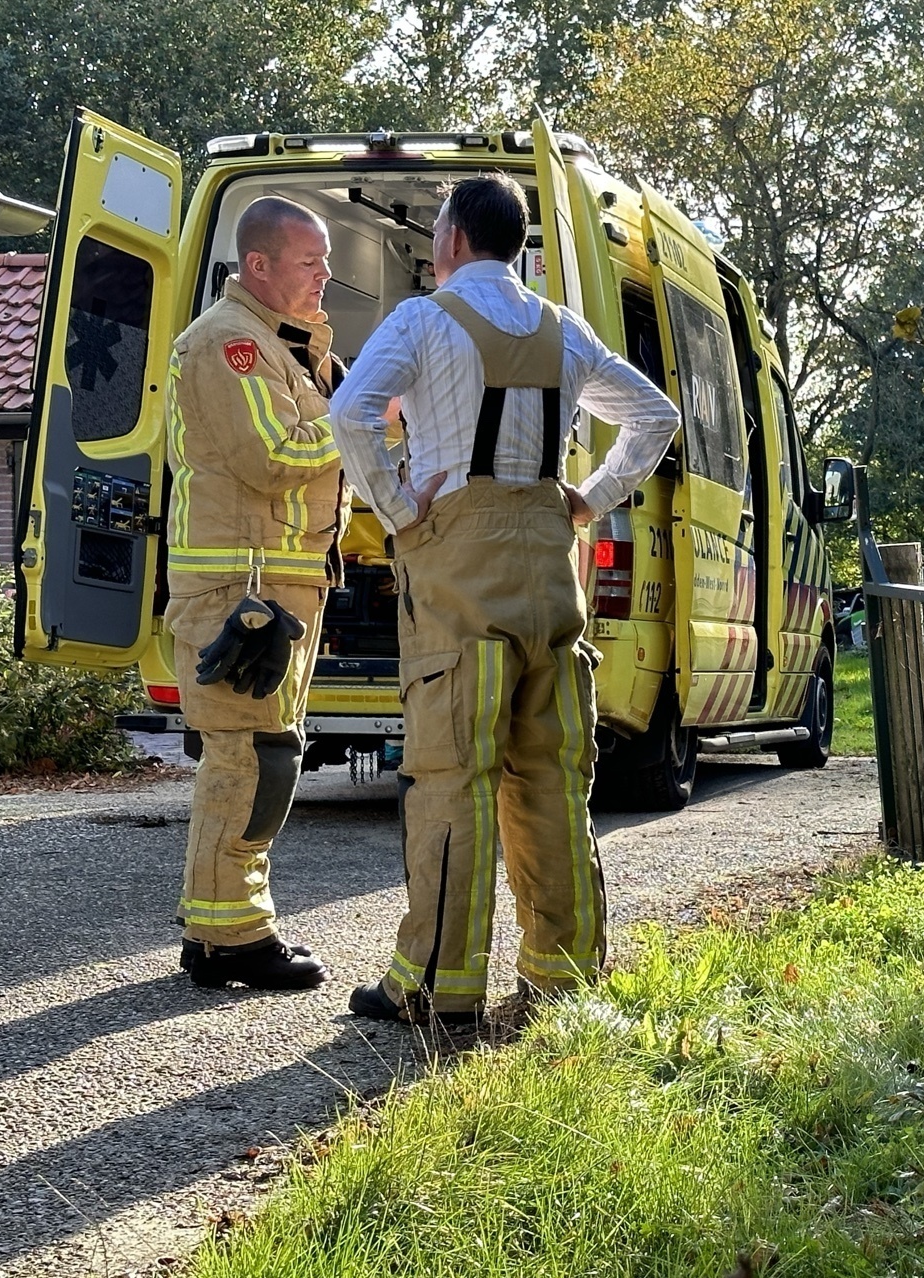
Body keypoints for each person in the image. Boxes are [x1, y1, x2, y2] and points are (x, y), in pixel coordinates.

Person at [329, 173, 680, 1025]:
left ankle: (435, 987)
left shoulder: (421, 319)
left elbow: (351, 411)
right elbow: (656, 417)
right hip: (549, 570)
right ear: (518, 244)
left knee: (454, 773)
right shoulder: (565, 330)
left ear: (449, 241)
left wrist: (400, 505)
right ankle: (564, 981)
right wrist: (590, 498)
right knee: (553, 777)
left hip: (460, 570)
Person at [171, 196, 345, 990]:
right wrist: (364, 414)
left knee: (262, 758)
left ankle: (217, 930)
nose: (326, 275)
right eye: (311, 261)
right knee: (247, 764)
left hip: (276, 593)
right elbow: (274, 456)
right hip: (238, 598)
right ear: (259, 265)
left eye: (325, 260)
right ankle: (232, 938)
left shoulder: (287, 347)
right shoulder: (229, 344)